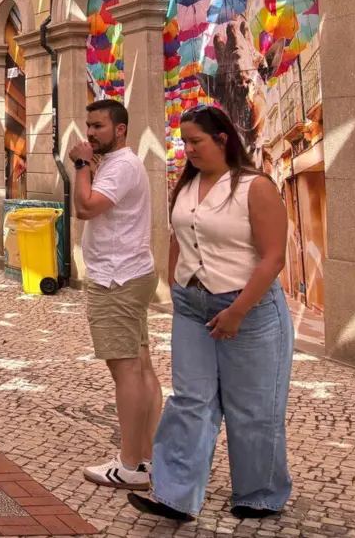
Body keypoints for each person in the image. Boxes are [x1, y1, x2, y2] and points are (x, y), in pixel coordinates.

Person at [128, 105, 293, 523]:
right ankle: (173, 495)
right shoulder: (186, 186)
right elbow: (178, 238)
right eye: (183, 141)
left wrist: (238, 311)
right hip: (193, 305)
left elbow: (274, 258)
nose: (188, 149)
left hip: (249, 309)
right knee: (189, 400)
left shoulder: (255, 187)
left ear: (222, 139)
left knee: (253, 405)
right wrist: (176, 286)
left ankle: (260, 493)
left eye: (195, 141)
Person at [70, 99, 162, 489]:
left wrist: (79, 167)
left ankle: (129, 464)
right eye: (88, 126)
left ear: (120, 129)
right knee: (141, 368)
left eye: (98, 127)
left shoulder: (122, 164)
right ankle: (149, 457)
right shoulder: (115, 164)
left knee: (126, 371)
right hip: (131, 273)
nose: (89, 133)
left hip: (116, 279)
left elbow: (86, 207)